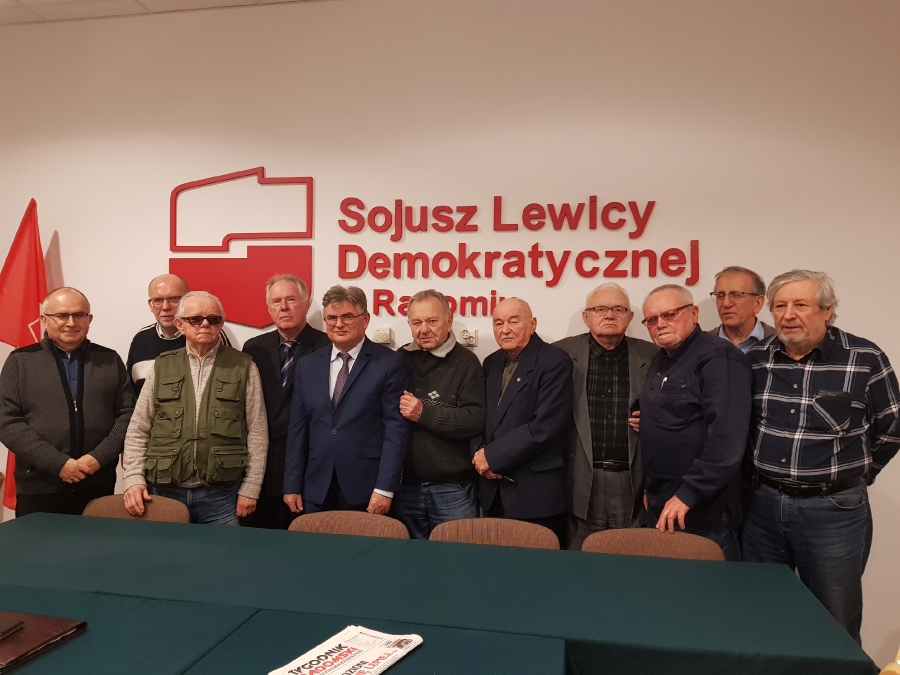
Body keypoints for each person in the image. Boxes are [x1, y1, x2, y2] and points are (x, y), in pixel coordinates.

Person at [742, 270, 900, 643]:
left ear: (828, 310)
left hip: (833, 513)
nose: (788, 315)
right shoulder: (756, 359)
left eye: (801, 304)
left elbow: (892, 427)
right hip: (762, 508)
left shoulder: (864, 357)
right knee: (761, 614)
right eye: (780, 306)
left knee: (834, 623)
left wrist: (855, 475)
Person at [121, 291, 267, 525]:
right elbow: (139, 428)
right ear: (180, 324)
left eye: (213, 319)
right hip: (164, 491)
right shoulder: (162, 366)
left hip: (222, 496)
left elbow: (257, 431)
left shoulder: (244, 366)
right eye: (196, 319)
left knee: (223, 550)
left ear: (221, 323)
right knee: (164, 549)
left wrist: (251, 486)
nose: (205, 324)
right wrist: (133, 478)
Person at [638, 284, 751, 561]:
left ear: (694, 313)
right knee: (667, 583)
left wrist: (688, 494)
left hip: (701, 508)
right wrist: (652, 488)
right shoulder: (662, 358)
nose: (660, 324)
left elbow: (726, 440)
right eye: (651, 319)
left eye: (669, 314)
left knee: (708, 586)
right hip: (663, 500)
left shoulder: (719, 357)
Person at [0, 287, 134, 516]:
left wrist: (97, 458)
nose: (71, 323)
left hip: (97, 484)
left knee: (96, 540)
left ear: (89, 319)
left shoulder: (110, 360)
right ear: (44, 320)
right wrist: (57, 463)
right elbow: (7, 421)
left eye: (79, 315)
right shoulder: (20, 361)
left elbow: (127, 414)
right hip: (40, 487)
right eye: (62, 315)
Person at [283, 285, 409, 515]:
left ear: (365, 319)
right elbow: (298, 429)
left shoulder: (389, 363)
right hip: (316, 486)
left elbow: (395, 431)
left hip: (366, 487)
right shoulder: (307, 365)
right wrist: (292, 484)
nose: (339, 324)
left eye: (348, 316)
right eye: (332, 318)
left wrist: (385, 488)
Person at [555, 283, 658, 550]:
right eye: (600, 309)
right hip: (579, 479)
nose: (609, 315)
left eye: (618, 309)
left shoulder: (654, 356)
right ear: (586, 317)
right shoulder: (560, 354)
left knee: (631, 558)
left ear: (630, 317)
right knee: (580, 561)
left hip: (632, 480)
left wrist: (655, 419)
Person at [476, 298, 573, 545]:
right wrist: (479, 454)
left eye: (513, 321)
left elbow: (545, 427)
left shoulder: (554, 361)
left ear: (532, 324)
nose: (505, 329)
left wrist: (492, 457)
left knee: (536, 567)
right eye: (498, 323)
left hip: (534, 496)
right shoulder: (491, 362)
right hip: (492, 491)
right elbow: (480, 416)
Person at [392, 289, 485, 539]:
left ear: (449, 321)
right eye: (416, 322)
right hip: (405, 486)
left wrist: (424, 413)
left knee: (456, 558)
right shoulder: (399, 359)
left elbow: (475, 419)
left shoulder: (467, 363)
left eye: (432, 321)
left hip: (453, 489)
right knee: (407, 558)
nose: (424, 329)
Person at [241, 274, 330, 529]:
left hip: (308, 470)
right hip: (263, 471)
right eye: (276, 301)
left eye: (291, 300)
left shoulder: (327, 347)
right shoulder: (253, 348)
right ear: (269, 308)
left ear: (306, 304)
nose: (284, 307)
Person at [126, 274, 229, 394]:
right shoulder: (141, 339)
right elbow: (129, 392)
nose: (165, 307)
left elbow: (228, 384)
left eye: (174, 299)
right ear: (150, 305)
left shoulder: (208, 334)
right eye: (158, 300)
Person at [707, 266, 774, 353]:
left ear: (758, 303)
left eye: (736, 295)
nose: (726, 304)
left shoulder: (782, 342)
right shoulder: (702, 345)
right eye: (720, 295)